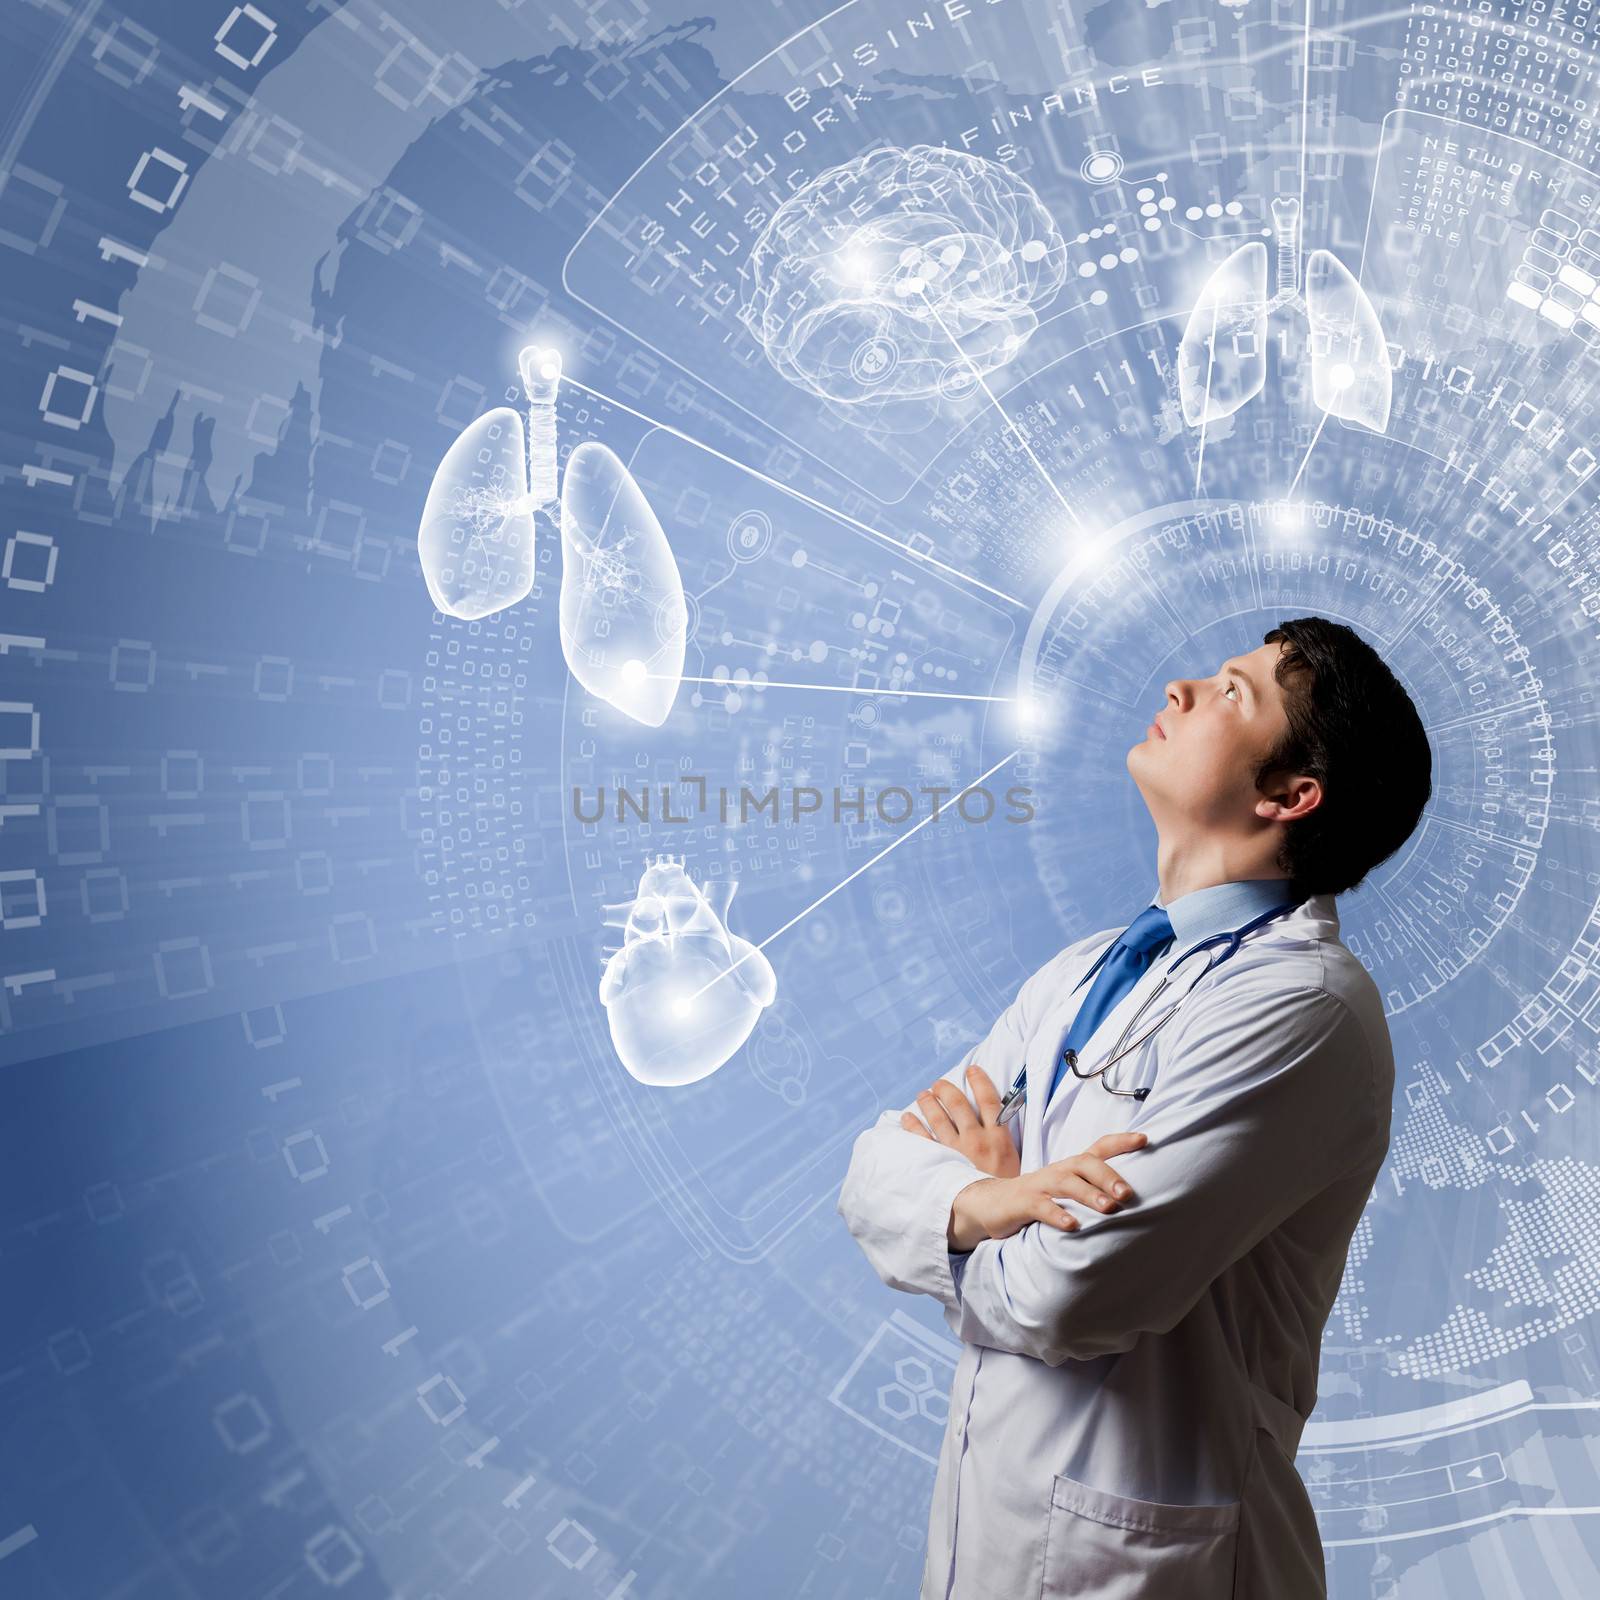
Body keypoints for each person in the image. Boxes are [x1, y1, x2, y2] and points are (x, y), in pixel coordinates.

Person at [837, 617, 1432, 1599]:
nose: (1178, 689)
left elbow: (1074, 1296)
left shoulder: (1303, 1011)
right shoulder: (1080, 975)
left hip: (1157, 1563)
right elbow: (870, 1174)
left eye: (1231, 691)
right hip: (987, 1533)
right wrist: (992, 1203)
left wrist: (968, 1205)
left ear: (1289, 794)